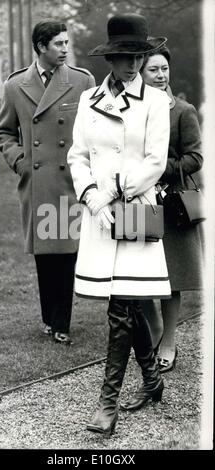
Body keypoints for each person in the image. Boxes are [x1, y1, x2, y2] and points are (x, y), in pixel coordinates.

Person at [67, 14, 170, 436]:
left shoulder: (156, 102)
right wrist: (91, 197)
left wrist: (110, 191)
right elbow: (77, 156)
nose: (133, 65)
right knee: (124, 304)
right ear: (111, 57)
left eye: (138, 56)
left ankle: (106, 402)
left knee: (121, 308)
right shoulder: (90, 99)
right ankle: (151, 379)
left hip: (134, 211)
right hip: (101, 214)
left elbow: (155, 161)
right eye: (125, 56)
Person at [0, 19, 95, 344]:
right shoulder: (15, 86)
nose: (65, 49)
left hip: (69, 181)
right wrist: (21, 162)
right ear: (41, 47)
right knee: (45, 256)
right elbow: (4, 133)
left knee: (66, 252)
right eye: (59, 44)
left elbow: (94, 128)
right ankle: (48, 319)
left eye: (66, 43)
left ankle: (60, 323)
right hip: (37, 182)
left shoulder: (81, 81)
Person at [140, 46, 203, 372]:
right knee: (138, 275)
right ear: (141, 73)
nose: (161, 75)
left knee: (170, 278)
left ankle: (168, 342)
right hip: (137, 201)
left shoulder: (182, 110)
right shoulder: (130, 110)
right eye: (153, 69)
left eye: (164, 68)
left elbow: (196, 158)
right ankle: (156, 331)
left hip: (171, 203)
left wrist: (159, 167)